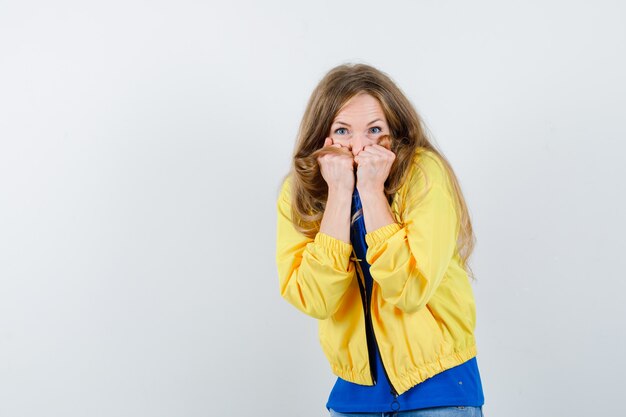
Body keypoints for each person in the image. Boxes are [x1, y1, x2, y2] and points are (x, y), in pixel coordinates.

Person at [275, 63, 485, 417]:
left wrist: (371, 191)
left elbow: (411, 289)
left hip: (440, 390)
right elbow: (314, 300)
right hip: (354, 397)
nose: (360, 146)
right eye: (342, 131)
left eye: (375, 130)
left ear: (396, 132)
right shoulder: (299, 193)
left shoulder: (422, 174)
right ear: (321, 136)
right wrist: (340, 194)